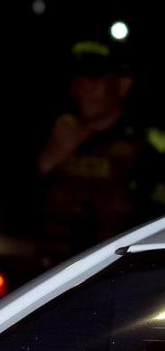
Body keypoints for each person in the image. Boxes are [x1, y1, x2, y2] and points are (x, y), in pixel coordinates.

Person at [37, 37, 165, 265]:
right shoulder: (52, 130)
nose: (82, 87)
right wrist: (49, 157)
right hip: (48, 277)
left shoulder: (148, 145)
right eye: (78, 77)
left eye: (95, 77)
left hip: (116, 276)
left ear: (123, 84)